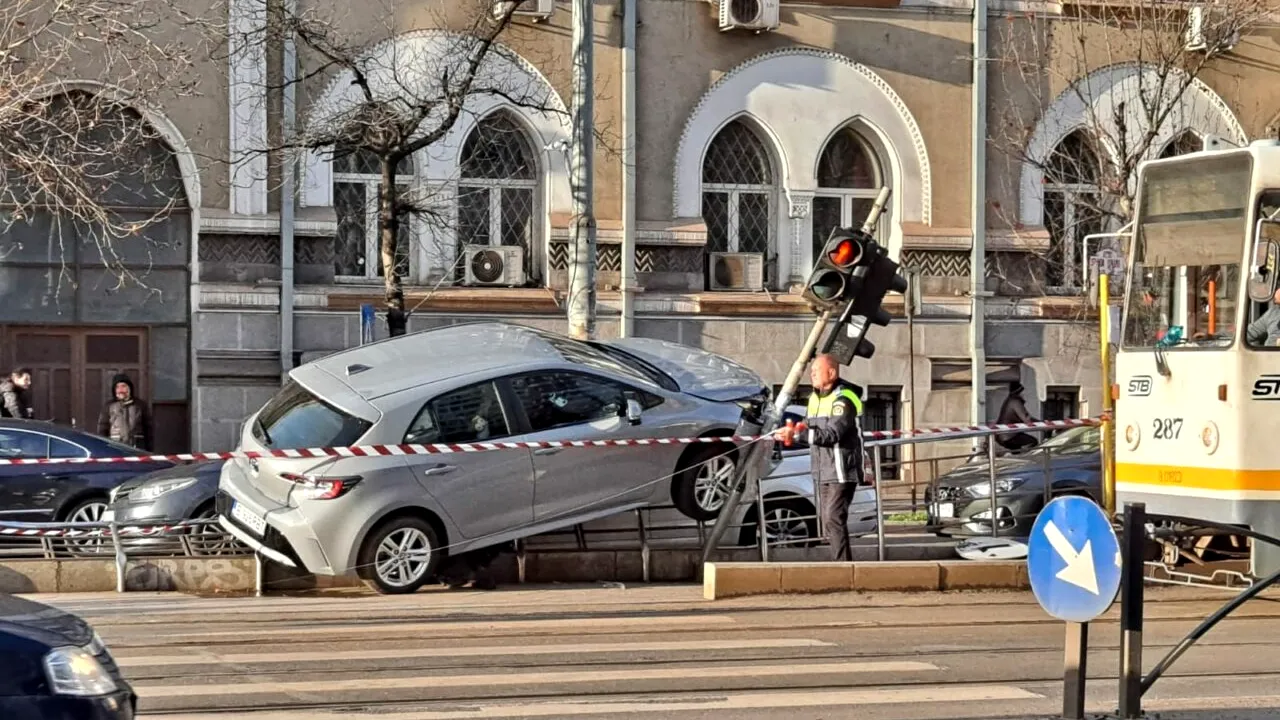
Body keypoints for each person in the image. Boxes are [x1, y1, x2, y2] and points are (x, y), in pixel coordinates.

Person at [774, 353, 865, 562]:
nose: (812, 375)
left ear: (831, 373)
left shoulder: (844, 399)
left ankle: (843, 568)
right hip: (822, 468)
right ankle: (840, 564)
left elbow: (833, 435)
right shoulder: (815, 398)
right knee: (827, 520)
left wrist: (797, 434)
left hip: (841, 469)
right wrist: (793, 429)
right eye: (811, 371)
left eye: (816, 371)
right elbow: (808, 424)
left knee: (834, 518)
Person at [97, 373, 152, 450]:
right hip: (116, 449)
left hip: (137, 448)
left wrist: (149, 450)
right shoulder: (109, 406)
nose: (120, 390)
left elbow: (148, 430)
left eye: (123, 386)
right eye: (117, 387)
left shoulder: (140, 405)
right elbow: (102, 430)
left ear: (129, 388)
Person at [995, 381, 1039, 452]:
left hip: (1004, 435)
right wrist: (1041, 423)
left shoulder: (1010, 400)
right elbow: (1027, 419)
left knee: (1017, 450)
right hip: (1009, 436)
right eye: (1023, 391)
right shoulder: (1015, 402)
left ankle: (1017, 455)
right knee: (1033, 442)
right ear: (1019, 392)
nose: (1024, 394)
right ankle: (1028, 457)